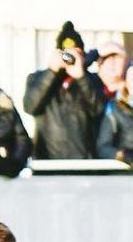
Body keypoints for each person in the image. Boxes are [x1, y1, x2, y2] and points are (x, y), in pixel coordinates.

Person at [22, 21, 105, 159]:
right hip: (47, 161)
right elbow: (30, 106)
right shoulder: (37, 78)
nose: (70, 59)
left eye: (76, 54)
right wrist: (51, 72)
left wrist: (81, 77)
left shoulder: (91, 80)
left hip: (83, 161)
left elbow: (99, 110)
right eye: (66, 54)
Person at [96, 65, 133, 163]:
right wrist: (122, 155)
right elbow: (103, 147)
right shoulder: (113, 109)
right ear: (126, 82)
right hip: (125, 169)